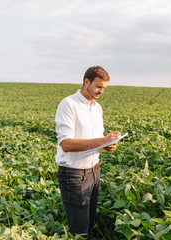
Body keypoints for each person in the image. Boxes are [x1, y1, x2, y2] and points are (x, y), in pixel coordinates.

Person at [55, 66, 121, 239]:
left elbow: (94, 140)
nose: (101, 91)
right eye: (98, 86)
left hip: (94, 172)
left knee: (89, 223)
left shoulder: (97, 108)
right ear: (86, 82)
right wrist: (103, 140)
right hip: (74, 175)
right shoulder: (69, 104)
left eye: (104, 88)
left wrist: (107, 145)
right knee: (79, 231)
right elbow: (66, 144)